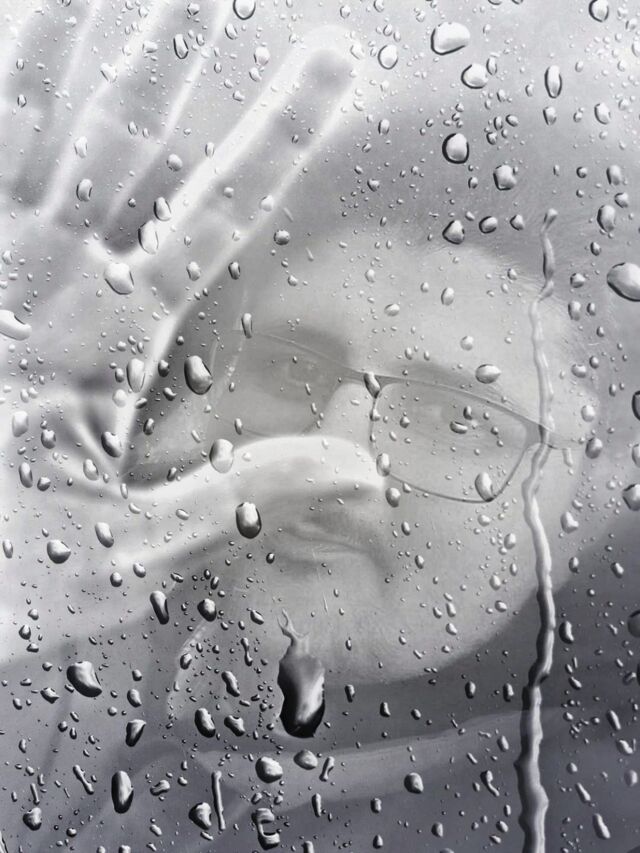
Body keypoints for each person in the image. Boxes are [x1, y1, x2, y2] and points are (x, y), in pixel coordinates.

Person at [0, 0, 638, 850]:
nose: (335, 450)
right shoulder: (70, 665)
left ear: (602, 492)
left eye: (458, 417)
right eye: (291, 369)